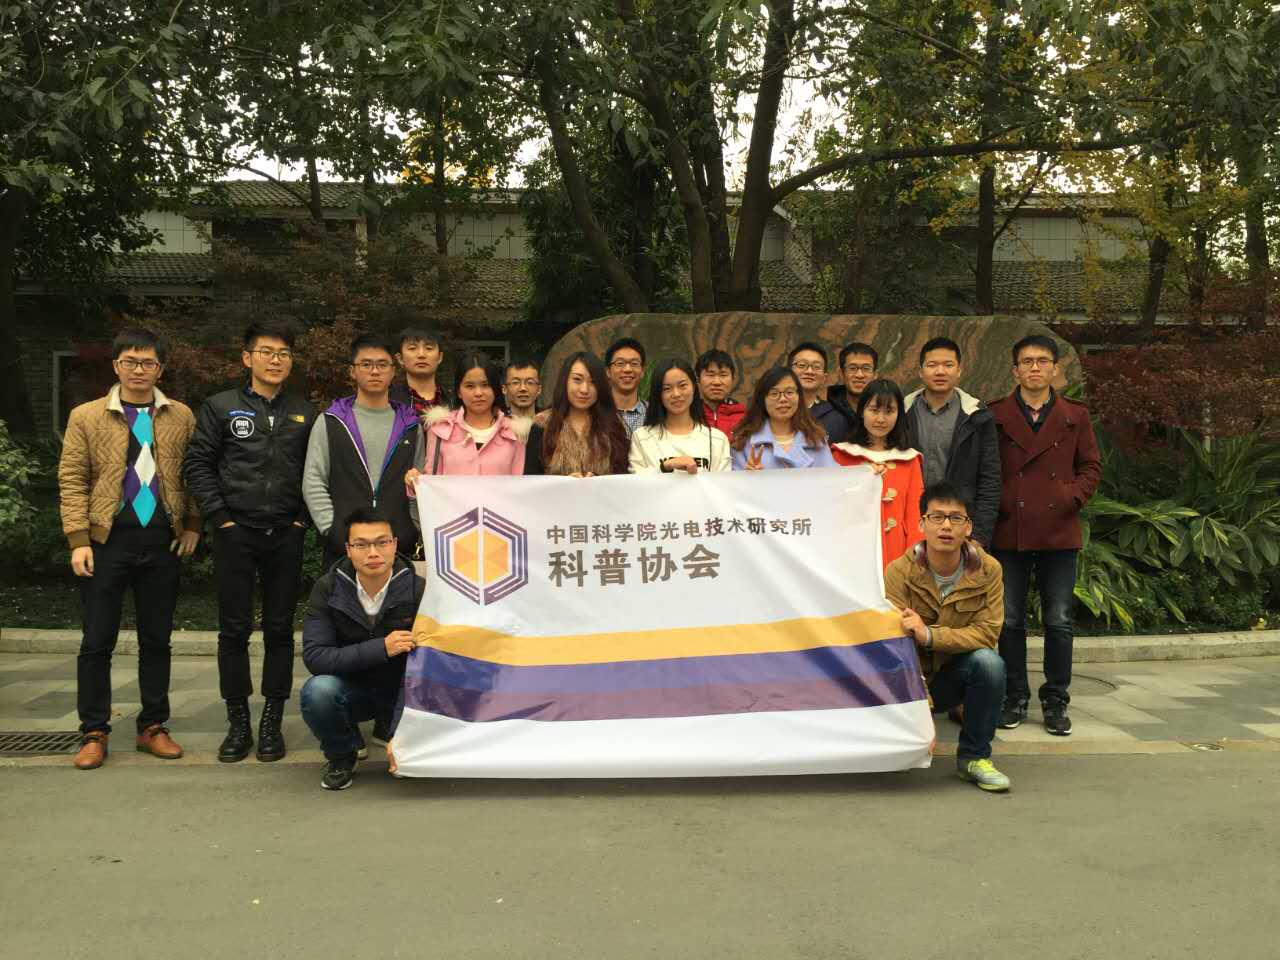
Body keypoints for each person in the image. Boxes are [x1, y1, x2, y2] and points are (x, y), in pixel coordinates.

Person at [58, 328, 201, 770]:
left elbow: (195, 473)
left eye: (148, 363)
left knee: (156, 639)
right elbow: (72, 478)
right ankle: (94, 731)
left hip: (162, 541)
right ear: (116, 366)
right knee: (96, 640)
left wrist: (193, 525)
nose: (139, 370)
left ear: (161, 368)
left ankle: (152, 725)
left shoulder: (180, 415)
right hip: (108, 542)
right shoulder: (86, 416)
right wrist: (78, 539)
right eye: (130, 362)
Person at [183, 321, 316, 764]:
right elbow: (198, 464)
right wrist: (220, 518)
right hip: (234, 533)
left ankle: (271, 722)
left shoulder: (305, 412)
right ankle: (238, 722)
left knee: (280, 630)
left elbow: (317, 470)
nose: (275, 360)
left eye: (283, 354)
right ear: (247, 358)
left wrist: (301, 520)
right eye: (266, 352)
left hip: (286, 534)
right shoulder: (220, 407)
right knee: (234, 630)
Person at [990, 335, 1102, 736]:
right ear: (1015, 370)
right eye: (1027, 361)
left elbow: (1091, 466)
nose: (1035, 367)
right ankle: (1014, 696)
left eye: (1042, 361)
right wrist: (1004, 501)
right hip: (1011, 528)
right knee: (1010, 620)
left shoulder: (1075, 414)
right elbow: (987, 468)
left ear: (1056, 369)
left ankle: (1056, 699)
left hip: (1059, 528)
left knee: (1059, 620)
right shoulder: (996, 414)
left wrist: (1070, 497)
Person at [884, 482, 1009, 792]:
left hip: (955, 677)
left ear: (968, 527)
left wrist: (929, 635)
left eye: (956, 518)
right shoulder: (899, 572)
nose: (946, 526)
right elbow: (894, 645)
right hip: (911, 683)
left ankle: (974, 758)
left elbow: (987, 632)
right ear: (921, 524)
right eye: (937, 517)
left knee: (989, 663)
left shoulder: (989, 571)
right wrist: (919, 706)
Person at [299, 508, 425, 791]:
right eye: (361, 544)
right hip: (353, 688)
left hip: (403, 691)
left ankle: (394, 733)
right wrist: (382, 647)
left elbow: (428, 666)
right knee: (318, 691)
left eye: (382, 542)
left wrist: (401, 738)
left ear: (394, 544)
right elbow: (316, 657)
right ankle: (342, 754)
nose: (373, 553)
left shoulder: (418, 590)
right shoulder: (328, 588)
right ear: (348, 549)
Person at [304, 333, 421, 570]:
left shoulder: (410, 425)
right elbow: (314, 480)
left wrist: (413, 527)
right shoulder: (331, 421)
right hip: (344, 547)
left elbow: (420, 483)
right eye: (366, 364)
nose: (374, 371)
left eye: (382, 365)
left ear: (393, 371)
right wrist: (332, 529)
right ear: (352, 371)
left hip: (398, 546)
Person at [903, 336, 1001, 547]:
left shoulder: (977, 416)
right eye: (932, 365)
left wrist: (979, 535)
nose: (940, 371)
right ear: (920, 371)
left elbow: (990, 479)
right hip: (909, 522)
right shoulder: (901, 413)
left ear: (959, 371)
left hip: (958, 525)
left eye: (948, 365)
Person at [404, 353, 527, 498]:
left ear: (496, 389)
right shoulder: (441, 430)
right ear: (459, 392)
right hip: (452, 512)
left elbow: (518, 491)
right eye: (469, 386)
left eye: (485, 385)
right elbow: (431, 486)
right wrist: (415, 483)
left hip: (499, 512)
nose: (478, 393)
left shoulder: (514, 432)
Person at [831, 378, 924, 568]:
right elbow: (833, 510)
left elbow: (915, 517)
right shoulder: (841, 455)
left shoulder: (910, 460)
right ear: (861, 412)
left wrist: (913, 560)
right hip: (850, 553)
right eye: (874, 410)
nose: (881, 419)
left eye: (889, 411)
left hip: (897, 555)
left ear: (899, 415)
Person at [525, 352, 630, 476]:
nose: (584, 389)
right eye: (577, 380)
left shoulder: (613, 424)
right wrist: (564, 482)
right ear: (565, 381)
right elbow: (531, 479)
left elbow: (623, 477)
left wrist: (597, 479)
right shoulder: (542, 424)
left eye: (593, 382)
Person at [629, 359, 732, 473]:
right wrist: (665, 467)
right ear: (658, 394)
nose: (676, 394)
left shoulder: (717, 439)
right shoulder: (642, 437)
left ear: (694, 387)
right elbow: (637, 482)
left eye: (682, 385)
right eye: (667, 388)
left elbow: (723, 483)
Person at [730, 367, 836, 470]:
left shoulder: (815, 438)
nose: (783, 399)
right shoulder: (744, 441)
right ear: (762, 399)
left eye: (789, 392)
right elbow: (735, 480)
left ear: (799, 396)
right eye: (774, 393)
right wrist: (748, 476)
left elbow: (830, 478)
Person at [813, 341, 878, 444]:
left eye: (866, 368)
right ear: (841, 374)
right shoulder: (821, 416)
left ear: (875, 375)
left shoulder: (886, 416)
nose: (859, 375)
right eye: (852, 368)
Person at [390, 326, 450, 417]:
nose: (421, 355)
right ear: (400, 358)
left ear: (440, 357)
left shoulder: (454, 401)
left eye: (429, 348)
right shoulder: (388, 401)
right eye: (412, 348)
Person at [695, 349, 745, 439]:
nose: (717, 382)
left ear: (733, 379)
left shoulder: (745, 418)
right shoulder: (689, 415)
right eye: (710, 375)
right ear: (698, 379)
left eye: (723, 375)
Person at [605, 337, 647, 435]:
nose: (628, 369)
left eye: (634, 363)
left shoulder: (654, 414)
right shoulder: (596, 413)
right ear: (608, 371)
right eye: (620, 363)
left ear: (642, 371)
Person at [502, 357, 541, 433]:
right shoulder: (496, 425)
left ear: (539, 389)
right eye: (515, 382)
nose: (523, 388)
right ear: (504, 389)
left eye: (530, 382)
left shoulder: (551, 424)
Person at [787, 342, 829, 409]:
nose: (809, 371)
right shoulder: (773, 409)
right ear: (788, 373)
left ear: (824, 378)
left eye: (816, 367)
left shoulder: (833, 413)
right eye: (802, 365)